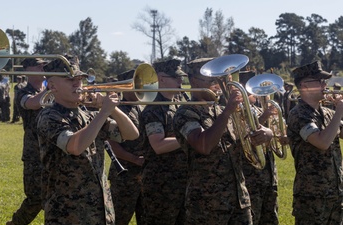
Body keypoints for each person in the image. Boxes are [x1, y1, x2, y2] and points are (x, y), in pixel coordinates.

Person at [36, 55, 139, 225]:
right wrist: (103, 113)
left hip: (100, 210)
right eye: (70, 79)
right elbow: (75, 146)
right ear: (52, 85)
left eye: (80, 79)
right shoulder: (49, 117)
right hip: (67, 213)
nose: (77, 83)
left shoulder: (89, 114)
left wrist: (112, 109)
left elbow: (131, 134)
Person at [173, 57, 273, 225]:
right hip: (207, 203)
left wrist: (266, 134)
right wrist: (227, 112)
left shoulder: (222, 110)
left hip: (240, 199)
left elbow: (244, 143)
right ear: (193, 81)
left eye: (219, 80)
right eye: (211, 80)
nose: (217, 85)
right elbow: (203, 145)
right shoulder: (185, 113)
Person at [287, 60, 343, 224]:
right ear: (304, 86)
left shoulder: (326, 112)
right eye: (319, 80)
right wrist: (339, 111)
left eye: (324, 81)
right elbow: (322, 142)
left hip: (335, 193)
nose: (324, 84)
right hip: (312, 197)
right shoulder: (298, 114)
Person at [139, 59, 188, 225]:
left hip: (180, 181)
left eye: (181, 77)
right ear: (161, 78)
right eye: (176, 78)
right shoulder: (153, 108)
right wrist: (190, 138)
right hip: (161, 184)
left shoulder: (178, 105)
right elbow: (158, 145)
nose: (181, 81)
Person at [6, 58, 49, 225]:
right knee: (35, 198)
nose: (43, 67)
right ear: (27, 70)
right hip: (34, 153)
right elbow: (32, 103)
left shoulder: (48, 89)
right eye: (39, 65)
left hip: (54, 149)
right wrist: (53, 89)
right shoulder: (22, 90)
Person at [108, 69, 146, 225]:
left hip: (142, 175)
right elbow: (112, 145)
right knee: (119, 219)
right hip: (124, 176)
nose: (140, 89)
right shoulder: (117, 111)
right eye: (136, 85)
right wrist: (134, 159)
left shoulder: (139, 108)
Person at [244, 93, 279, 225]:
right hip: (251, 175)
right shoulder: (238, 112)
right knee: (253, 217)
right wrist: (264, 117)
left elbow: (274, 136)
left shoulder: (259, 110)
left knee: (270, 217)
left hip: (269, 174)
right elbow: (244, 136)